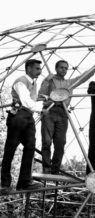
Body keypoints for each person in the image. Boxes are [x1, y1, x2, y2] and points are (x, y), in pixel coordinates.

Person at [38, 57, 95, 174]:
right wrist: (47, 81)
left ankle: (55, 169)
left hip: (63, 113)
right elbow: (40, 95)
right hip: (49, 111)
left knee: (60, 142)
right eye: (61, 67)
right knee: (46, 142)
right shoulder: (50, 80)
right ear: (56, 68)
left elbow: (85, 76)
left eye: (66, 68)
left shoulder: (69, 83)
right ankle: (46, 169)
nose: (64, 70)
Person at [1, 59, 46, 192]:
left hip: (28, 117)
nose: (40, 71)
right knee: (10, 148)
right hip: (18, 116)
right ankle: (4, 183)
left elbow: (30, 99)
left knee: (30, 146)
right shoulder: (21, 81)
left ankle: (24, 182)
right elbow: (25, 101)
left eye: (40, 68)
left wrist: (41, 98)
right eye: (37, 68)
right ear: (29, 69)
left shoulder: (33, 83)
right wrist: (41, 109)